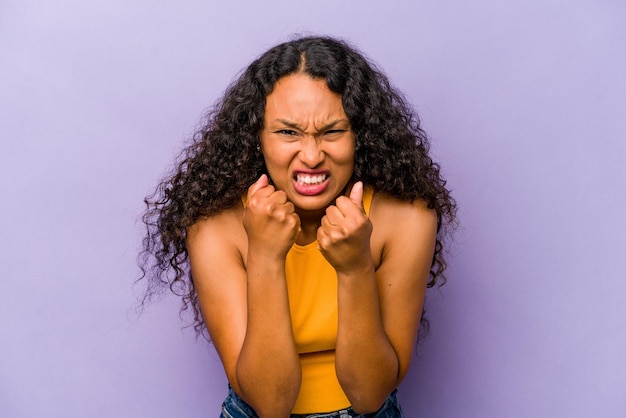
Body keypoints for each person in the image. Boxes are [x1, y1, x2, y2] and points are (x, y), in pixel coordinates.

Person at [140, 35, 456, 418]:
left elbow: (371, 396)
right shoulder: (214, 226)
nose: (311, 156)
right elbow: (270, 405)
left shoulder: (408, 217)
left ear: (360, 136)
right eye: (288, 132)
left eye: (332, 132)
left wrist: (355, 267)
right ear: (256, 138)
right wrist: (265, 255)